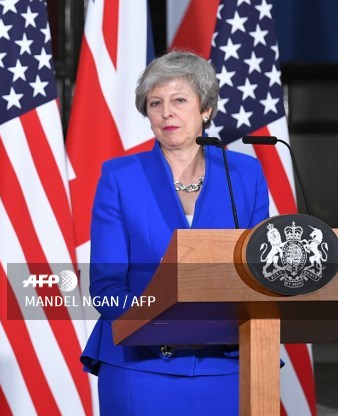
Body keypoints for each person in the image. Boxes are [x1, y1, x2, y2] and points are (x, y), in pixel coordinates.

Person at [80, 50, 269, 415]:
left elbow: (260, 275)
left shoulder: (245, 175)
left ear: (206, 109)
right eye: (156, 103)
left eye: (179, 100)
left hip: (227, 365)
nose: (166, 112)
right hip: (140, 364)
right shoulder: (120, 178)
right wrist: (166, 331)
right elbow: (106, 286)